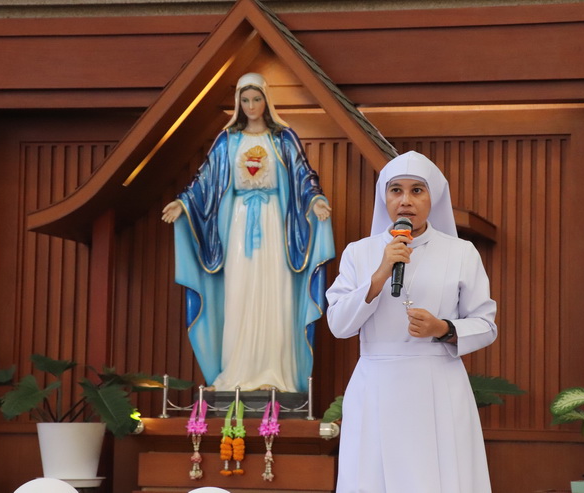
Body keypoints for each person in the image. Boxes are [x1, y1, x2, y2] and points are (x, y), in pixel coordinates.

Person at [326, 151, 497, 493]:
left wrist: (443, 329)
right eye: (396, 190)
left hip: (438, 383)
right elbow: (339, 325)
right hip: (376, 384)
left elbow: (486, 324)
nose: (405, 200)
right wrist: (379, 275)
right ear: (384, 197)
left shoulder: (461, 252)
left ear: (433, 197)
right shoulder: (359, 252)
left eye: (417, 190)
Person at [162, 72, 334, 393]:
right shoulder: (229, 140)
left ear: (266, 100)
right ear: (238, 103)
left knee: (275, 292)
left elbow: (303, 174)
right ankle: (234, 374)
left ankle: (274, 375)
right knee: (238, 293)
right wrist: (184, 203)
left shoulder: (283, 138)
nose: (251, 106)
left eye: (256, 99)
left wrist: (315, 199)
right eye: (245, 100)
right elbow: (205, 179)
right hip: (238, 223)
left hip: (274, 222)